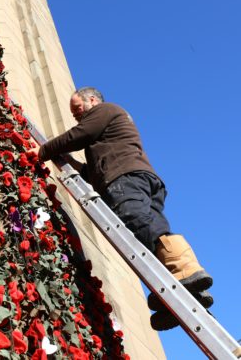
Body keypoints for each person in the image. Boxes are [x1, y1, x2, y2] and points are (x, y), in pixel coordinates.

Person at [35, 87, 213, 331]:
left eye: (78, 109)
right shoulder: (109, 134)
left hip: (125, 176)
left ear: (92, 100)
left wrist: (44, 150)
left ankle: (184, 267)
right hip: (136, 176)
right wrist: (73, 163)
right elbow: (95, 171)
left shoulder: (104, 111)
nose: (77, 116)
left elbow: (79, 134)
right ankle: (182, 293)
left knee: (135, 219)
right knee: (144, 235)